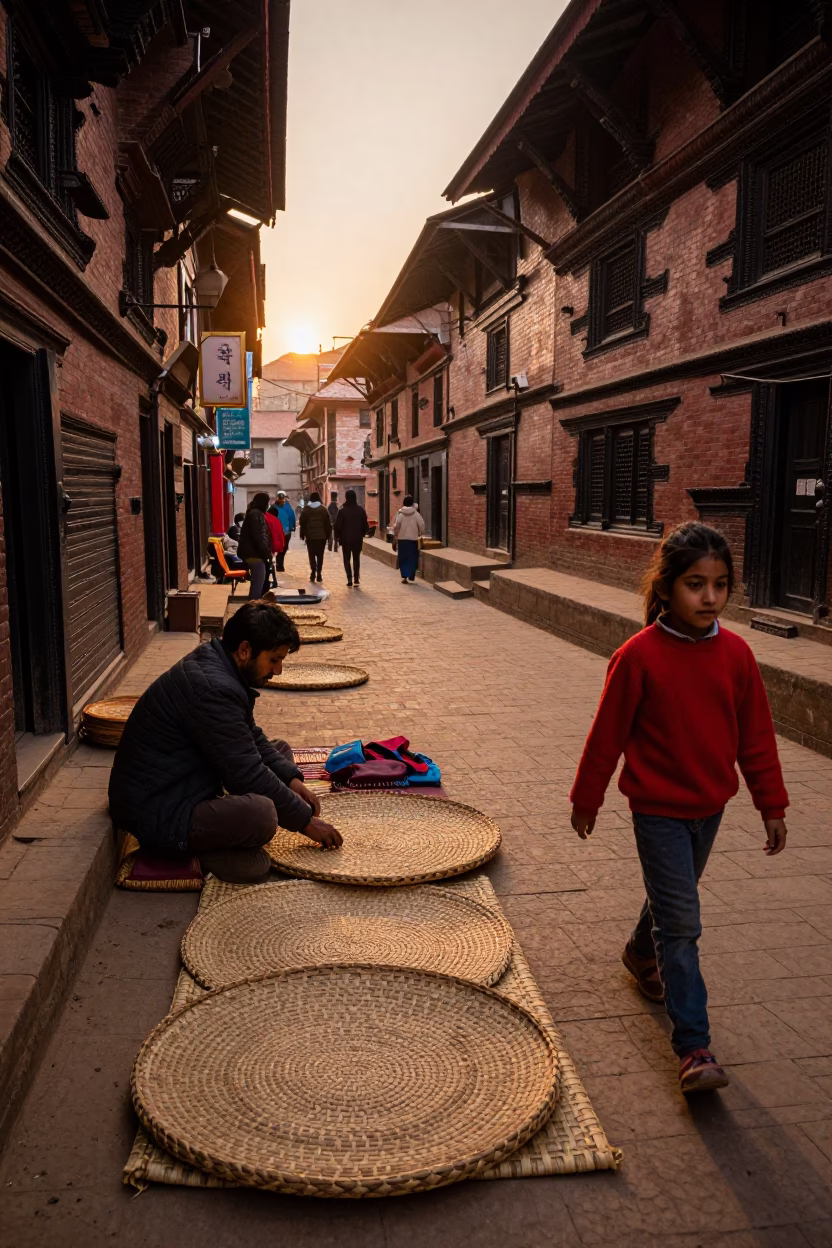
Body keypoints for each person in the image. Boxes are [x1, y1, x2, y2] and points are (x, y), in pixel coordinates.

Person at [569, 522, 789, 1096]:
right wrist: (585, 798)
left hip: (710, 808)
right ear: (666, 588)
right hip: (657, 810)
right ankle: (693, 1045)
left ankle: (640, 952)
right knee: (684, 924)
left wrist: (772, 803)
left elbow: (757, 738)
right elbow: (606, 736)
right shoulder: (637, 657)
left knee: (673, 903)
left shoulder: (738, 655)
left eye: (719, 585)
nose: (710, 597)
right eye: (696, 584)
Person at [109, 601, 342, 884]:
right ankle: (196, 853)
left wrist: (294, 784)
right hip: (162, 811)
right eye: (274, 659)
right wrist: (306, 823)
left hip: (185, 781)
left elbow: (250, 735)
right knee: (263, 814)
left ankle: (232, 833)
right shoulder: (213, 689)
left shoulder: (218, 663)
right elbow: (246, 773)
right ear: (244, 650)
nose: (278, 670)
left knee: (279, 750)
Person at [237, 492, 273, 599]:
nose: (268, 505)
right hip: (254, 555)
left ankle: (253, 607)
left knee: (257, 584)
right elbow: (259, 537)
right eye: (267, 503)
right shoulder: (256, 515)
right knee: (257, 586)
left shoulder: (254, 513)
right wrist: (267, 553)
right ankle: (252, 609)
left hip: (253, 554)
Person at [334, 489, 369, 587]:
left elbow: (338, 526)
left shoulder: (342, 510)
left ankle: (349, 578)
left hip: (345, 539)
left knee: (346, 558)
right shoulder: (360, 510)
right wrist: (363, 533)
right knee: (356, 558)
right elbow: (365, 524)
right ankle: (356, 578)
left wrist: (337, 537)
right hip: (357, 539)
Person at [299, 490, 331, 582]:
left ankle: (313, 572)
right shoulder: (323, 509)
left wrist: (303, 534)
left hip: (310, 537)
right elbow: (327, 524)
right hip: (321, 537)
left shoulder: (306, 509)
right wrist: (328, 536)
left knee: (312, 555)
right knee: (320, 556)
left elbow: (302, 522)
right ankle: (319, 573)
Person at [393, 495, 425, 584]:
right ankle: (411, 575)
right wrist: (420, 532)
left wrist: (395, 536)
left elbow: (396, 527)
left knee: (403, 558)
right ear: (412, 503)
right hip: (413, 540)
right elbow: (422, 525)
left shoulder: (400, 514)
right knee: (412, 558)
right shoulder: (416, 514)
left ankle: (404, 576)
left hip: (402, 540)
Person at [270, 492, 296, 572]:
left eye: (282, 498)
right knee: (279, 548)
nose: (281, 500)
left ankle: (280, 564)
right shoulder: (273, 508)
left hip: (286, 531)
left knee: (283, 548)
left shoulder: (287, 507)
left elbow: (291, 517)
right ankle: (279, 565)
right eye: (280, 498)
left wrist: (292, 527)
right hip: (278, 531)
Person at [263, 505, 286, 589]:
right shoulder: (275, 520)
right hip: (271, 547)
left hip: (265, 547)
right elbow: (280, 535)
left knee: (268, 565)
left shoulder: (265, 518)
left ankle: (268, 583)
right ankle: (271, 582)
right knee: (270, 564)